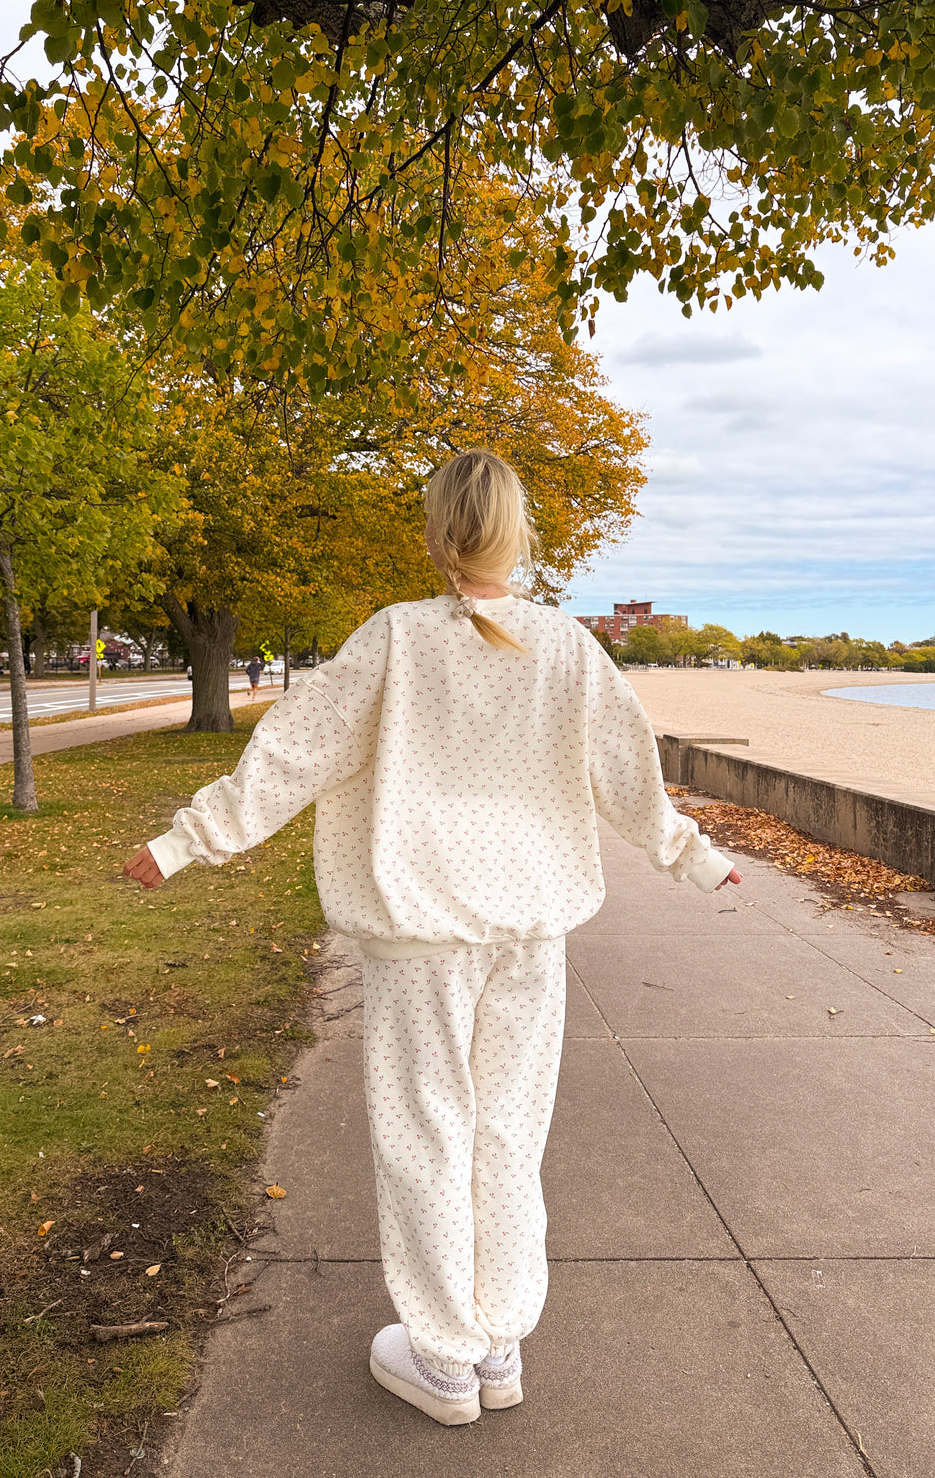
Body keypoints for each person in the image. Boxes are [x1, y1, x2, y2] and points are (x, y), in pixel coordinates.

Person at [122, 450, 740, 1427]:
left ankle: (447, 1353)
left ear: (436, 533)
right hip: (529, 932)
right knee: (507, 1128)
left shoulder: (396, 640)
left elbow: (295, 747)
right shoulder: (566, 647)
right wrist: (688, 853)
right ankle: (498, 1344)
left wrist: (187, 840)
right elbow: (629, 762)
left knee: (427, 1130)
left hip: (421, 931)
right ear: (519, 531)